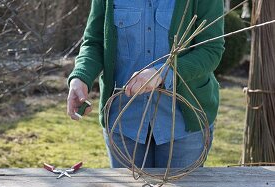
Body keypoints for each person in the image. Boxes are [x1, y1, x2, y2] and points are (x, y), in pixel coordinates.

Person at [67, 0, 225, 168]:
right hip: (123, 121)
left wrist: (163, 73)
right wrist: (81, 77)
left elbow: (210, 50)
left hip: (183, 124)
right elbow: (94, 42)